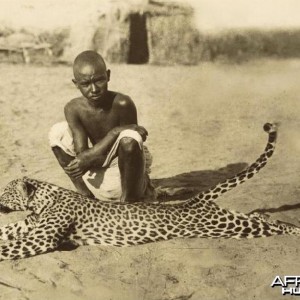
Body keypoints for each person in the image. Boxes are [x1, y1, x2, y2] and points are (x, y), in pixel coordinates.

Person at [49, 50, 155, 203]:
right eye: (85, 84)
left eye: (99, 80)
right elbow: (82, 156)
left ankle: (129, 204)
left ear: (108, 76)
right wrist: (114, 133)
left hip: (125, 180)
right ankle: (86, 197)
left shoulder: (123, 104)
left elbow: (130, 149)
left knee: (130, 137)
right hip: (96, 177)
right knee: (57, 132)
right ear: (76, 84)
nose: (94, 89)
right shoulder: (73, 108)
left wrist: (116, 133)